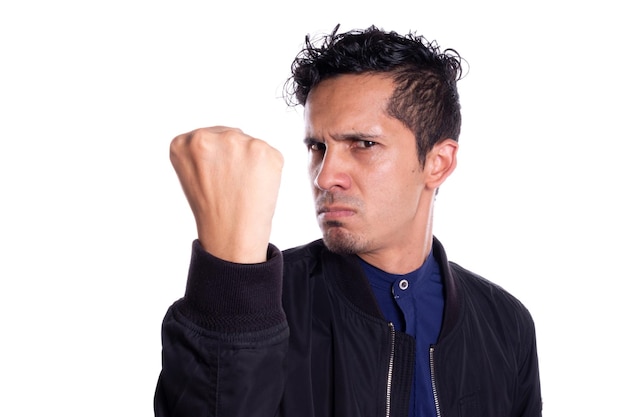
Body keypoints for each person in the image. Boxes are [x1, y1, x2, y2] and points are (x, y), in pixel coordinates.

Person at [154, 25, 542, 417]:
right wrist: (231, 279)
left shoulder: (505, 325)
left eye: (363, 144)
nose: (325, 176)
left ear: (437, 163)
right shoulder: (261, 302)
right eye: (317, 147)